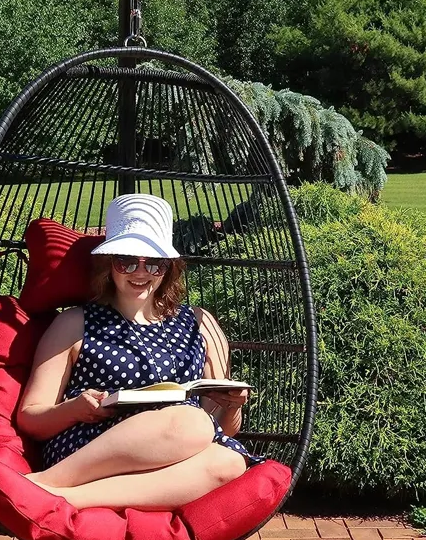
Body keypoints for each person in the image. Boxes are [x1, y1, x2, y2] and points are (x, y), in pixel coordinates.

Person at [17, 193, 261, 511]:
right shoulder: (74, 322)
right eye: (127, 261)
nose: (141, 273)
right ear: (109, 264)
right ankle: (54, 480)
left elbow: (223, 430)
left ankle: (59, 495)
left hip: (174, 456)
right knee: (192, 422)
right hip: (92, 449)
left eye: (155, 263)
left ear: (169, 268)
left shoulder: (199, 323)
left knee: (229, 461)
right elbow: (29, 417)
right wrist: (75, 409)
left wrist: (230, 408)